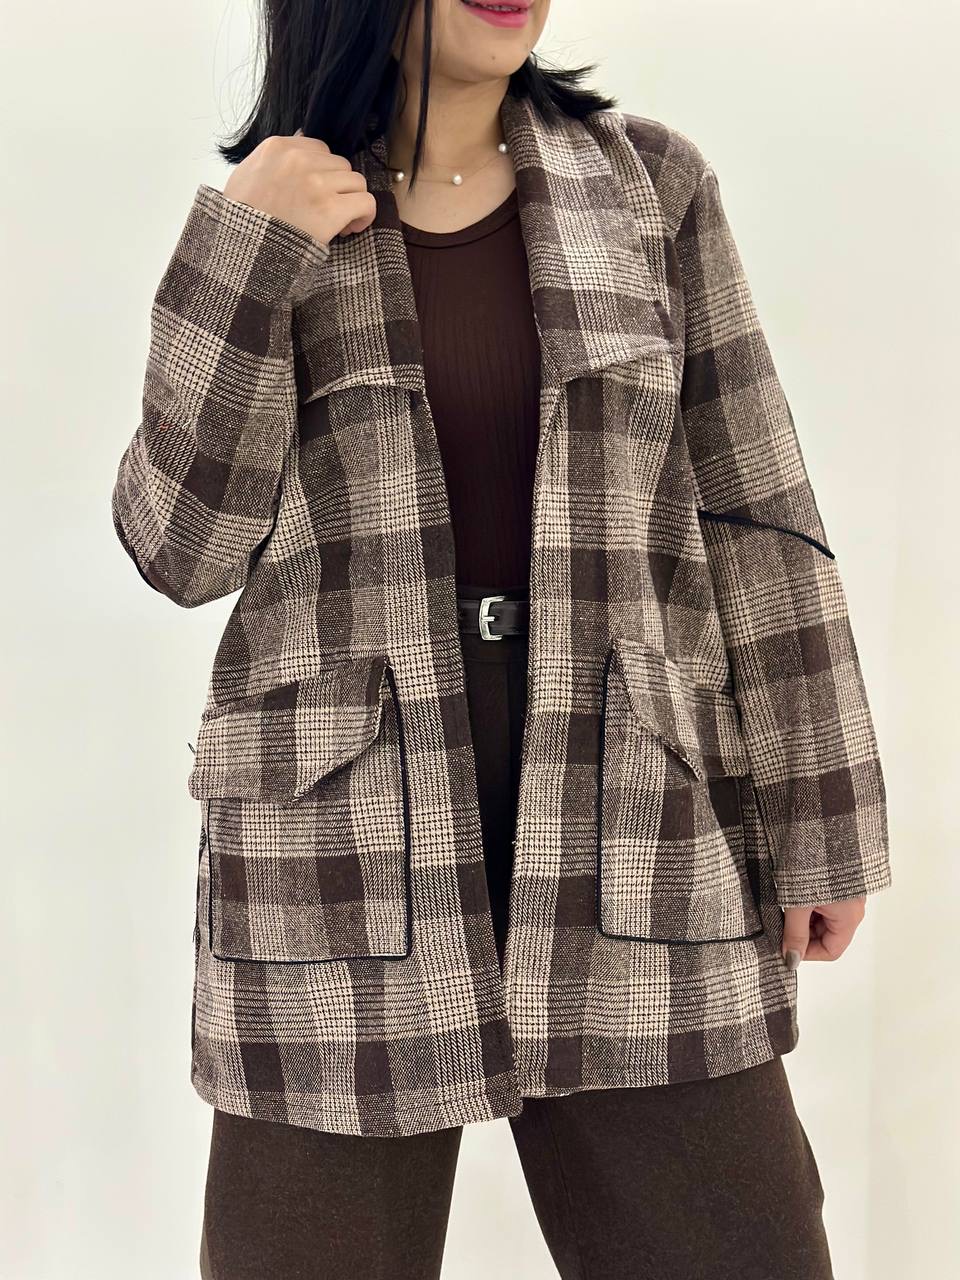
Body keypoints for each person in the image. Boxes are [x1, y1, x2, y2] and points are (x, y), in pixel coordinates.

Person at [110, 1, 892, 1275]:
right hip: (333, 864)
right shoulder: (279, 216)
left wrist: (824, 815)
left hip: (638, 829)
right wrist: (246, 250)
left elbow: (757, 514)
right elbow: (180, 546)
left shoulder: (653, 187)